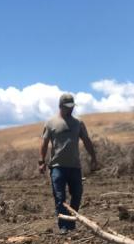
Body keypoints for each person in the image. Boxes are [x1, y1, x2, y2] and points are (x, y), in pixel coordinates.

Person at [39, 93, 98, 234]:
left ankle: (71, 223)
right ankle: (63, 226)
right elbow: (44, 143)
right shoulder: (50, 123)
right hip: (57, 167)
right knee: (60, 197)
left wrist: (93, 157)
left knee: (77, 194)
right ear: (60, 106)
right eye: (67, 107)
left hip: (75, 166)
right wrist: (41, 161)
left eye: (72, 107)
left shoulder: (78, 123)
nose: (70, 109)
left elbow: (86, 140)